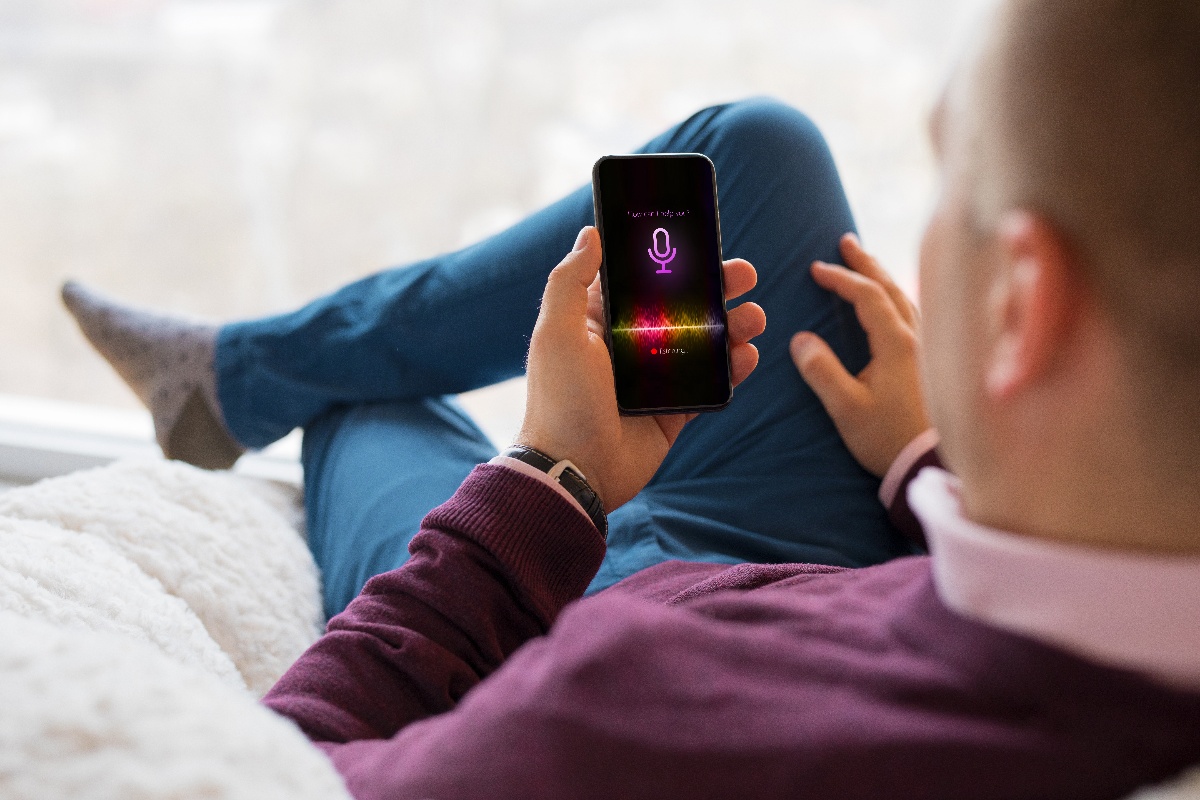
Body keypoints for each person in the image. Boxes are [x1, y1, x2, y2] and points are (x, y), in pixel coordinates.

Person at [63, 0, 1200, 796]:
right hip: (861, 562)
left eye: (956, 185)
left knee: (368, 407)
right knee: (750, 150)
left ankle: (249, 378)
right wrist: (924, 461)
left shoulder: (628, 714)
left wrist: (551, 477)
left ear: (1020, 309)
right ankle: (239, 371)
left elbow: (283, 772)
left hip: (579, 618)